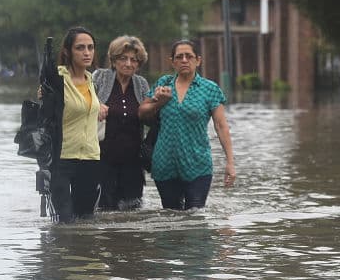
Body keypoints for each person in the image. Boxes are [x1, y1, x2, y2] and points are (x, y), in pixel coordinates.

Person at [138, 39, 236, 210]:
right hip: (165, 162)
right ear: (172, 62)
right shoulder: (163, 84)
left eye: (189, 56)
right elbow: (141, 112)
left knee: (195, 215)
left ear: (198, 60)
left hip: (197, 163)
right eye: (179, 57)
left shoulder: (210, 89)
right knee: (171, 215)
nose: (184, 60)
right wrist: (158, 101)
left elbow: (221, 126)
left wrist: (230, 162)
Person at [47, 26, 103, 223]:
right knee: (63, 222)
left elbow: (86, 110)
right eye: (80, 48)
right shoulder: (56, 79)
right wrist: (45, 94)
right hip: (61, 158)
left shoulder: (92, 80)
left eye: (90, 47)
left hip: (90, 158)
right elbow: (45, 112)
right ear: (67, 51)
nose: (87, 52)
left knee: (86, 222)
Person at [93, 36, 150, 210]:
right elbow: (83, 99)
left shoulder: (141, 84)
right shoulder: (100, 77)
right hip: (102, 160)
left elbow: (148, 117)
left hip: (133, 162)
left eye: (134, 60)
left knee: (132, 213)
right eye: (123, 58)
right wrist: (96, 105)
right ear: (114, 60)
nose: (128, 64)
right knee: (103, 212)